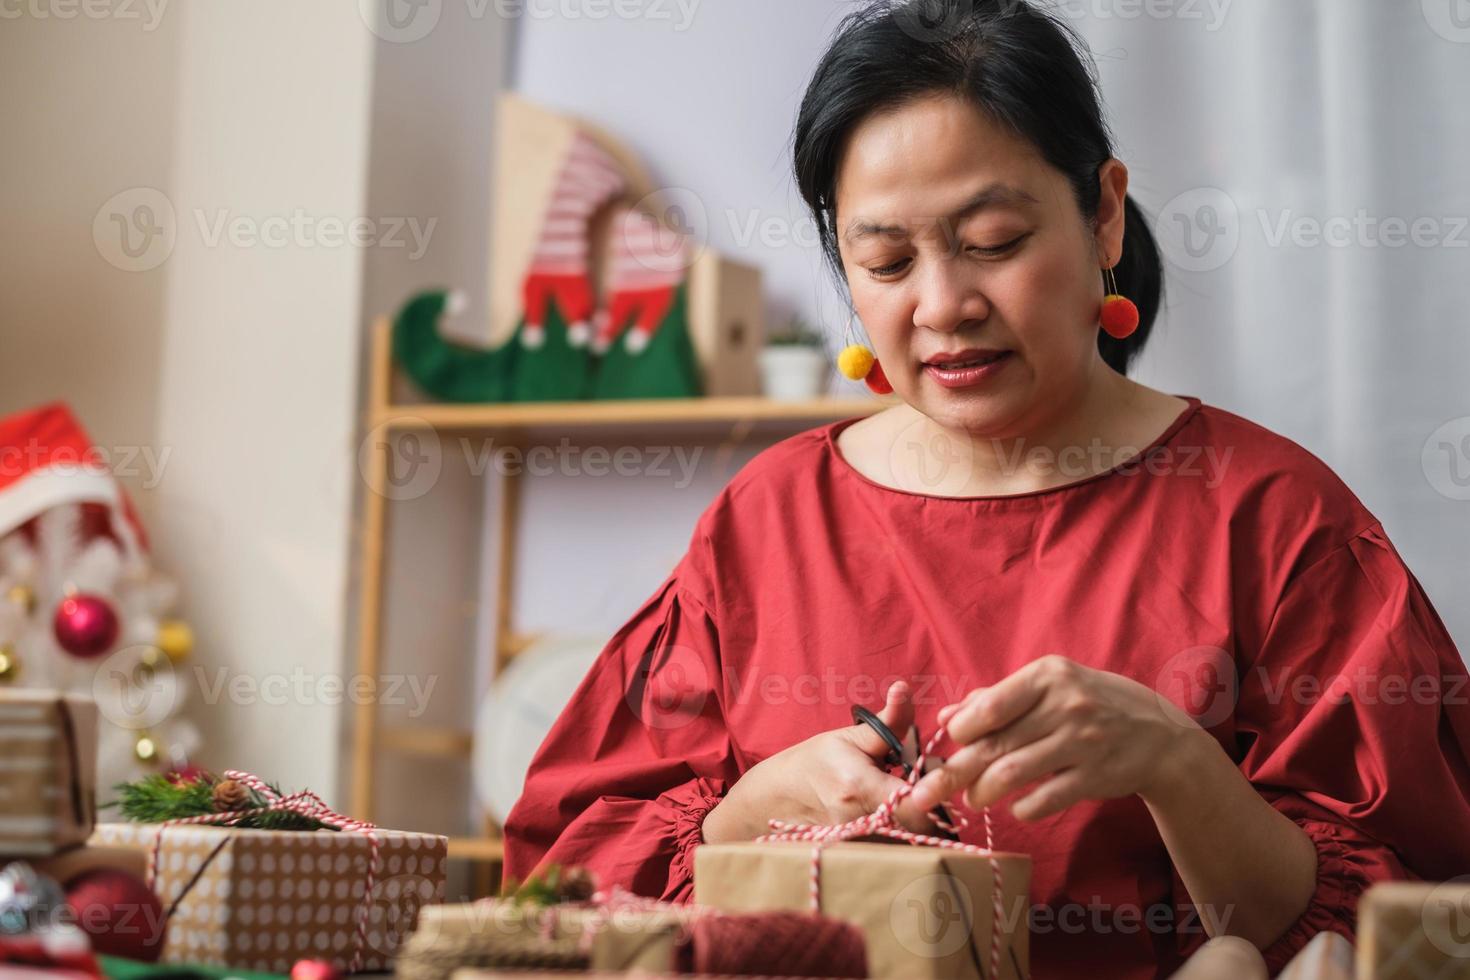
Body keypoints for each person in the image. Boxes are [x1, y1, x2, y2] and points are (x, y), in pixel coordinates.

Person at [503, 1, 1470, 975]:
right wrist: (744, 817)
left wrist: (1177, 764)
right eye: (885, 260)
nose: (942, 305)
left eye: (995, 240)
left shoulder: (1274, 517)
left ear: (1102, 213)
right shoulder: (768, 520)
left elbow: (1401, 918)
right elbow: (572, 886)